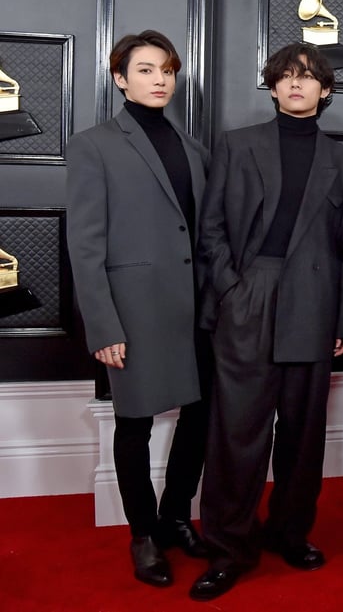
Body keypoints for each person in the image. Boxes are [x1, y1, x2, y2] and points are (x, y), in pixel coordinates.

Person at [190, 43, 343, 601]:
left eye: (307, 78)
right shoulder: (238, 146)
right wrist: (233, 290)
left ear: (325, 90)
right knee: (237, 432)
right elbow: (210, 229)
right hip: (249, 294)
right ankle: (228, 547)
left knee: (303, 436)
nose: (296, 85)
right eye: (286, 76)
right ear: (272, 86)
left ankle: (290, 533)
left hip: (315, 300)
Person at [66, 30, 211, 587]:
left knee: (200, 417)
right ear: (120, 78)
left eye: (167, 70)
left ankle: (176, 516)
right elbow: (85, 242)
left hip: (193, 309)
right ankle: (144, 534)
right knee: (134, 424)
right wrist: (102, 324)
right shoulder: (93, 144)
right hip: (134, 311)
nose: (160, 80)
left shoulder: (192, 145)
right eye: (146, 70)